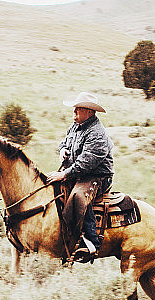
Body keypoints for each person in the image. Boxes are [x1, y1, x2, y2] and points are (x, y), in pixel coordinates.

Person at [46, 92, 114, 262]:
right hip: (79, 173)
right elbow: (64, 142)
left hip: (97, 176)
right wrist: (62, 150)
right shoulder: (76, 126)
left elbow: (87, 162)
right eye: (74, 109)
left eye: (77, 109)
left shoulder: (97, 133)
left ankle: (91, 242)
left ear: (89, 112)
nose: (73, 112)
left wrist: (64, 174)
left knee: (78, 196)